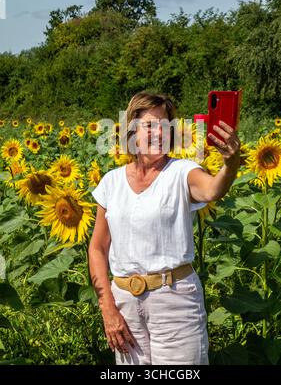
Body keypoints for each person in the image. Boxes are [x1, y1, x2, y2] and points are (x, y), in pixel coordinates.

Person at [88, 91, 240, 365]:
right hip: (125, 306)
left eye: (165, 126)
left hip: (174, 302)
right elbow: (98, 248)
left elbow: (212, 190)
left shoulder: (182, 171)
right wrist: (107, 308)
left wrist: (230, 163)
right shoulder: (111, 182)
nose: (158, 132)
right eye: (149, 125)